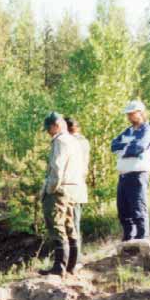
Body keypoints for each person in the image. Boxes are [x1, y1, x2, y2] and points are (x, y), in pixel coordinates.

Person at [39, 111, 79, 277]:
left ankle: (59, 267)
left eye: (49, 128)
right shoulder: (73, 140)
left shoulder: (60, 141)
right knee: (70, 226)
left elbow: (57, 167)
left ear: (55, 126)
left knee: (56, 226)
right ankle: (71, 266)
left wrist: (49, 189)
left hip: (59, 190)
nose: (48, 132)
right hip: (72, 188)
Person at [110, 100, 150, 241]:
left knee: (138, 207)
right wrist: (126, 146)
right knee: (123, 210)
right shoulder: (128, 131)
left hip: (138, 174)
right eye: (128, 114)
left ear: (140, 113)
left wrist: (124, 147)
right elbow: (113, 145)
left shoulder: (147, 130)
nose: (129, 117)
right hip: (124, 175)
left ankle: (142, 238)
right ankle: (128, 239)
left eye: (132, 114)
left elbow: (137, 147)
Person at [64, 116, 90, 272]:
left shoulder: (76, 143)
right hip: (76, 188)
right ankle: (73, 259)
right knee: (72, 225)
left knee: (73, 225)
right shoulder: (81, 142)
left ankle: (75, 260)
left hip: (73, 189)